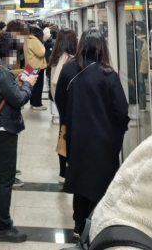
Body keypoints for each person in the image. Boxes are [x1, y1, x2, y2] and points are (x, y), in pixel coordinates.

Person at [55, 29, 130, 238]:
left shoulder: (69, 69)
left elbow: (60, 99)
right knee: (102, 183)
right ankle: (96, 226)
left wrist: (69, 120)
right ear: (102, 48)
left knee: (80, 180)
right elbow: (121, 111)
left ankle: (79, 226)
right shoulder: (108, 74)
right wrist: (118, 131)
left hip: (77, 136)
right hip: (105, 140)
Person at [0, 32, 37, 243]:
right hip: (4, 128)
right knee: (5, 178)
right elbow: (19, 98)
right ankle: (3, 226)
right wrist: (29, 82)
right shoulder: (2, 72)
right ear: (10, 52)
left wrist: (19, 80)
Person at [49, 29, 78, 184]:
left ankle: (63, 171)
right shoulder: (67, 59)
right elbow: (56, 81)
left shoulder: (56, 56)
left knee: (63, 135)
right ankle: (65, 171)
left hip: (61, 104)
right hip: (68, 104)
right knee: (67, 136)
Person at [24, 26, 47, 110]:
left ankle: (33, 102)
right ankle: (37, 104)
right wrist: (43, 47)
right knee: (38, 86)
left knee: (32, 86)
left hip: (30, 66)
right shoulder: (35, 41)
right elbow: (41, 53)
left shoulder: (27, 40)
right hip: (36, 67)